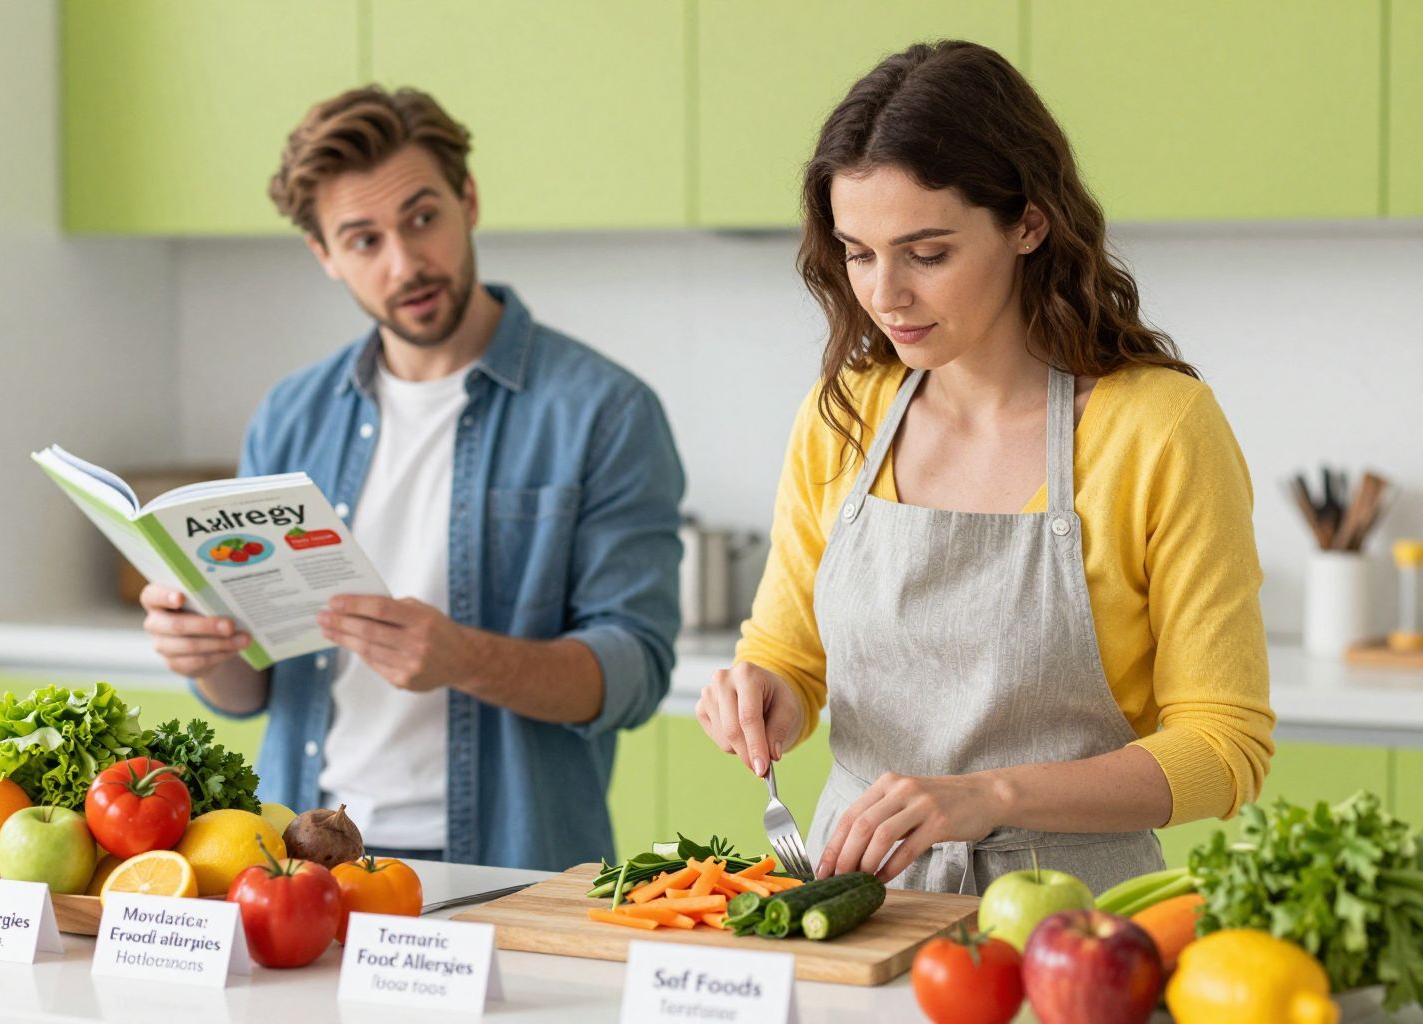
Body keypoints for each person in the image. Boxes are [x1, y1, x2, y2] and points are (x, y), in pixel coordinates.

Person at [696, 41, 1274, 896]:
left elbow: (1225, 746)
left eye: (927, 253)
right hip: (855, 901)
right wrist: (767, 693)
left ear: (1028, 224)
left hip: (1071, 918)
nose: (885, 294)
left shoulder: (1158, 428)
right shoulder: (847, 413)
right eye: (858, 252)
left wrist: (987, 797)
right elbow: (790, 652)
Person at [138, 86, 684, 871]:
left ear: (467, 201)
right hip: (302, 863)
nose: (405, 263)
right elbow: (251, 690)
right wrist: (205, 651)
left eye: (422, 218)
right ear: (324, 255)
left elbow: (635, 671)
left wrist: (466, 659)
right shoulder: (291, 416)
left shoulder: (605, 411)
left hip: (506, 867)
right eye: (362, 240)